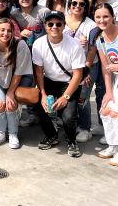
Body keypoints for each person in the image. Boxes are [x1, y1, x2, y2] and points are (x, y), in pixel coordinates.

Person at [33, 10, 85, 158]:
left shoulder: (74, 45)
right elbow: (38, 72)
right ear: (46, 26)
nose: (54, 26)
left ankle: (71, 141)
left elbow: (78, 75)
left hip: (69, 83)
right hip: (49, 81)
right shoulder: (39, 44)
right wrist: (42, 94)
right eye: (50, 24)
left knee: (68, 117)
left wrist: (65, 97)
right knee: (39, 110)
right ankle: (51, 136)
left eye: (58, 24)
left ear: (64, 26)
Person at [0, 18, 34, 149]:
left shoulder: (19, 45)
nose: (6, 33)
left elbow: (19, 72)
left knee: (11, 104)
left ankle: (13, 133)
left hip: (20, 77)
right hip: (0, 79)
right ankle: (0, 132)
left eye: (9, 31)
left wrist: (10, 93)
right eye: (2, 30)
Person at [11, 0, 48, 128]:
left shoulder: (43, 11)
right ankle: (31, 115)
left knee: (44, 84)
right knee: (28, 86)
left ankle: (51, 115)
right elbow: (11, 32)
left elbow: (53, 30)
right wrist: (20, 32)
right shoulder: (14, 15)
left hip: (42, 54)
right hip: (23, 55)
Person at [63, 0, 97, 143]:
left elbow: (92, 50)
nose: (77, 6)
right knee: (69, 96)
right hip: (66, 67)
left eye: (81, 4)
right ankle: (74, 124)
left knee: (82, 98)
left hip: (86, 65)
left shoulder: (91, 25)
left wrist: (85, 70)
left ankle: (85, 128)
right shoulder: (61, 20)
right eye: (74, 3)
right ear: (69, 4)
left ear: (85, 7)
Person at [94, 3, 118, 165]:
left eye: (105, 16)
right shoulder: (100, 39)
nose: (102, 20)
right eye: (98, 17)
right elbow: (105, 67)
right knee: (106, 110)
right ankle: (113, 145)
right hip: (116, 80)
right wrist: (108, 92)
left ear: (113, 17)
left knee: (116, 113)